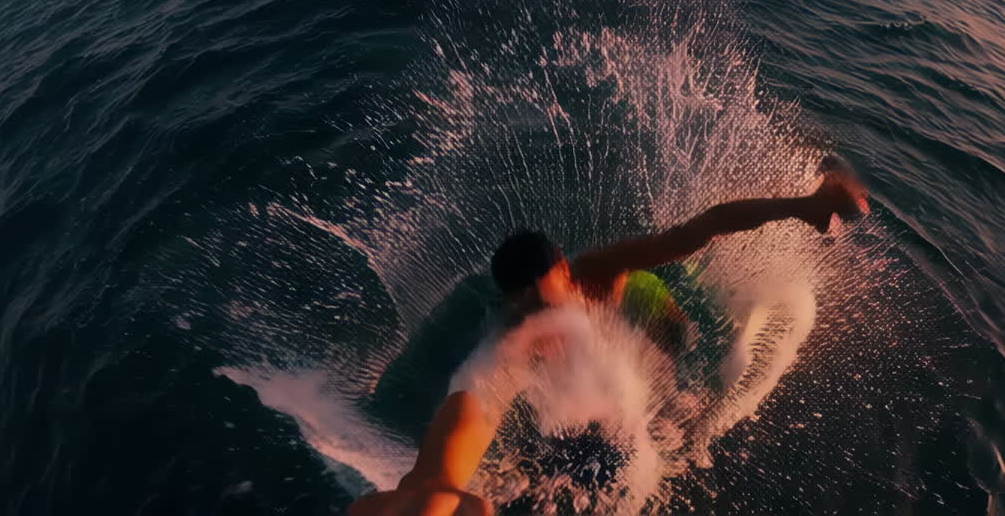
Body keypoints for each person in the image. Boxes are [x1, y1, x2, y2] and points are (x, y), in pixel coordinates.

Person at [349, 166, 869, 516]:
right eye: (532, 307)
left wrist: (804, 205)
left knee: (678, 393)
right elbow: (474, 403)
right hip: (583, 398)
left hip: (651, 321)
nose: (547, 315)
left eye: (555, 299)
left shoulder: (595, 273)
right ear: (511, 301)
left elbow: (702, 229)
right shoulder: (510, 339)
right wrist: (433, 488)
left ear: (567, 275)